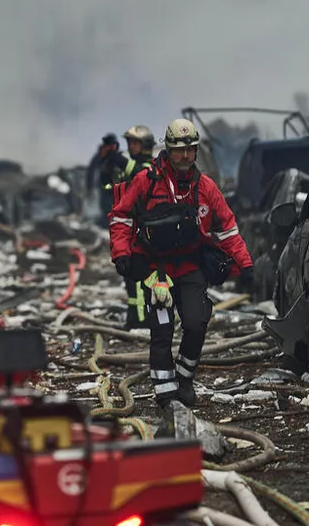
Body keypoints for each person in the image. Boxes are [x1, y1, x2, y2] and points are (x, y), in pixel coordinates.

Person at [108, 118, 253, 423]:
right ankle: (165, 394)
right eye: (179, 150)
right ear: (168, 150)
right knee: (161, 329)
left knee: (197, 322)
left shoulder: (206, 188)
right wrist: (121, 254)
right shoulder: (147, 182)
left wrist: (246, 265)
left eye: (190, 149)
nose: (186, 156)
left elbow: (226, 228)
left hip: (190, 265)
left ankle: (184, 377)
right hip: (155, 269)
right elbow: (121, 217)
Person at [116, 125, 156, 329]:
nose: (130, 146)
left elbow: (140, 174)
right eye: (129, 142)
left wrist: (120, 160)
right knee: (130, 279)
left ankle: (141, 322)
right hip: (129, 230)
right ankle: (135, 317)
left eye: (134, 142)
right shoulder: (132, 168)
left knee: (139, 280)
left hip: (143, 232)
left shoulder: (150, 167)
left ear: (145, 145)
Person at [87, 133, 127, 228]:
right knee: (106, 203)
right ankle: (106, 222)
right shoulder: (101, 155)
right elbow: (91, 171)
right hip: (106, 185)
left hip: (114, 185)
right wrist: (90, 187)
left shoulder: (115, 155)